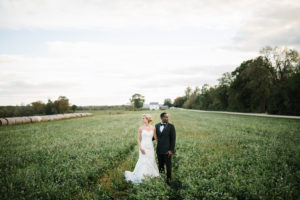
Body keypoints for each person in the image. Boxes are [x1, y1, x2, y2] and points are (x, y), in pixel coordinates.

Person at [124, 114, 160, 185]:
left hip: (150, 147)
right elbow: (138, 139)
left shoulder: (153, 128)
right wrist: (140, 148)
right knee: (143, 161)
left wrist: (161, 145)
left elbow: (156, 138)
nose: (142, 119)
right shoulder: (141, 128)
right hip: (143, 146)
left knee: (151, 160)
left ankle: (150, 175)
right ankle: (142, 176)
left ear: (148, 119)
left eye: (144, 118)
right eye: (142, 118)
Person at [153, 112, 176, 185]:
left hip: (167, 150)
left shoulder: (171, 126)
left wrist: (171, 150)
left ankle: (168, 181)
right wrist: (146, 138)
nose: (167, 118)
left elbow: (173, 139)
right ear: (161, 118)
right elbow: (154, 137)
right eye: (165, 117)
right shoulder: (156, 126)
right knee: (160, 166)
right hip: (159, 150)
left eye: (167, 117)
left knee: (168, 166)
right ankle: (162, 180)